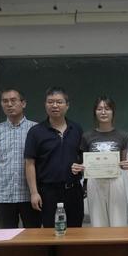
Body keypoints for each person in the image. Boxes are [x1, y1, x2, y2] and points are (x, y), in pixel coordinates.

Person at [24, 86, 84, 228]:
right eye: (50, 102)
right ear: (45, 105)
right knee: (51, 233)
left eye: (59, 102)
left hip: (73, 191)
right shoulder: (35, 132)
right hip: (48, 193)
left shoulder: (76, 129)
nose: (54, 105)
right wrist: (34, 193)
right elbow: (29, 164)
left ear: (67, 105)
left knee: (76, 233)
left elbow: (83, 158)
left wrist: (81, 166)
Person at [0, 88, 41, 228]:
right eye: (5, 101)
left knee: (33, 235)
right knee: (7, 236)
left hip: (30, 195)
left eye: (13, 100)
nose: (9, 104)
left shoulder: (36, 129)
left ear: (23, 103)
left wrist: (35, 191)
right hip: (4, 194)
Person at [71, 96, 128, 227]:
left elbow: (123, 162)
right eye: (99, 109)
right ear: (95, 112)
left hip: (115, 181)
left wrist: (126, 165)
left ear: (113, 112)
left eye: (107, 109)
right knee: (98, 223)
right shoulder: (87, 136)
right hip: (94, 181)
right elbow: (84, 163)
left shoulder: (123, 136)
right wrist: (79, 167)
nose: (103, 112)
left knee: (119, 222)